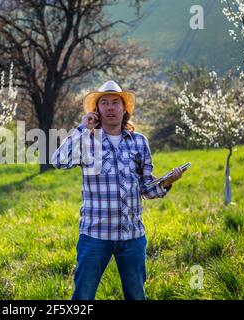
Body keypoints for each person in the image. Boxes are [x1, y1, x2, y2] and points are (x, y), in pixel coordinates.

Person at [51, 80, 183, 300]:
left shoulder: (139, 142)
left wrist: (167, 182)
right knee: (83, 297)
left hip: (132, 236)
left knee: (136, 296)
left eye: (115, 102)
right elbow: (58, 161)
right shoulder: (87, 140)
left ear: (125, 109)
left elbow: (146, 189)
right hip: (94, 235)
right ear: (97, 110)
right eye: (104, 103)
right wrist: (83, 128)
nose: (110, 107)